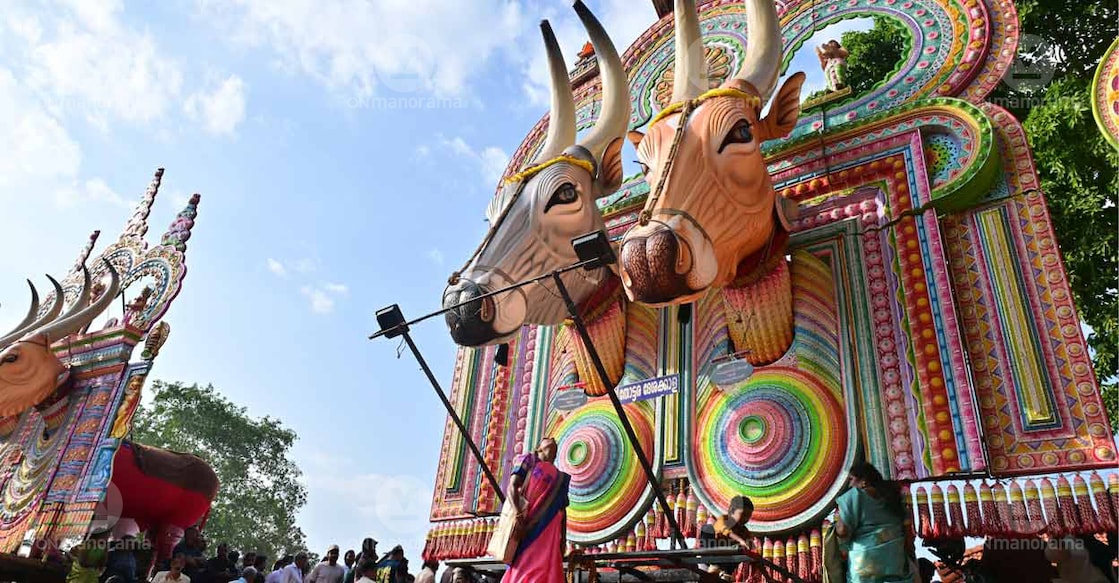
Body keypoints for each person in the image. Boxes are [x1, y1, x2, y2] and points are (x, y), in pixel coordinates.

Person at [502, 437, 571, 583]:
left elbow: (563, 511)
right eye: (546, 438)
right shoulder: (528, 459)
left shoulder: (561, 478)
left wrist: (562, 539)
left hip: (549, 533)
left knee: (545, 572)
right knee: (525, 567)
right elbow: (512, 487)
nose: (552, 438)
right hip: (527, 527)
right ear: (538, 448)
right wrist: (519, 518)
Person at [833, 462, 915, 582]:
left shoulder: (855, 495)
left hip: (865, 565)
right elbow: (908, 535)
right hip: (895, 561)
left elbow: (842, 531)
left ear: (864, 481)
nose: (850, 484)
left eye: (851, 479)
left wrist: (835, 525)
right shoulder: (895, 496)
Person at [697, 495, 755, 576]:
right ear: (732, 511)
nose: (745, 519)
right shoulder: (723, 519)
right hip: (709, 559)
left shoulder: (744, 531)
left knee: (743, 549)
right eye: (743, 514)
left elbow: (754, 554)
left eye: (748, 517)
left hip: (725, 564)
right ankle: (714, 565)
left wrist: (767, 576)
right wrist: (740, 540)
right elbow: (727, 531)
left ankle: (726, 571)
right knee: (707, 528)